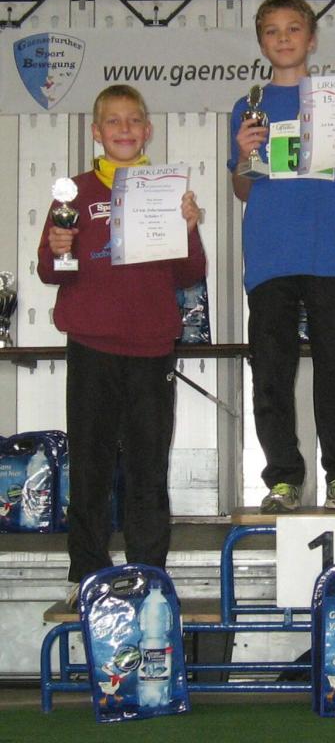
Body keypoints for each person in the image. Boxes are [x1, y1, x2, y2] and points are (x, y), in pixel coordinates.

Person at [37, 84, 207, 604]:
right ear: (97, 131)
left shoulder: (166, 191)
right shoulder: (74, 194)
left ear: (147, 129)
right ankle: (85, 573)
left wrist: (189, 227)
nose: (124, 128)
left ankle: (148, 576)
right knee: (90, 465)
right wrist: (58, 247)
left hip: (152, 347)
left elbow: (190, 272)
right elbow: (51, 271)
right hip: (92, 345)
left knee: (147, 468)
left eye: (133, 120)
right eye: (113, 121)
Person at [228, 0, 335, 514]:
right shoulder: (247, 106)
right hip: (270, 256)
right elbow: (243, 189)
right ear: (261, 42)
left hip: (328, 255)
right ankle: (283, 479)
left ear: (311, 39)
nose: (284, 38)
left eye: (294, 29)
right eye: (272, 30)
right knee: (271, 373)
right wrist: (244, 152)